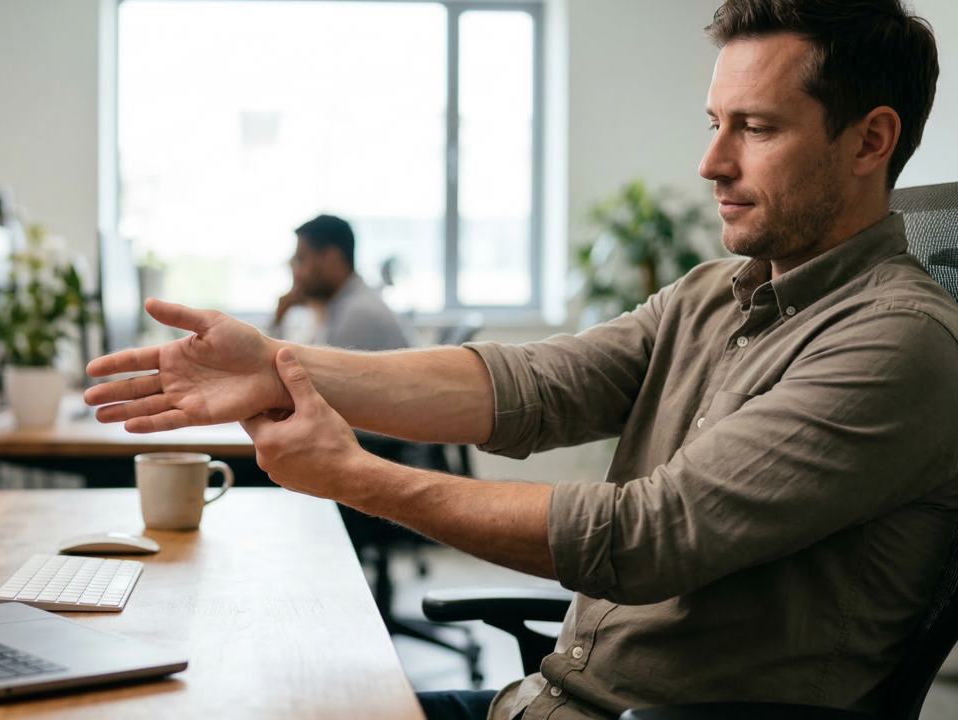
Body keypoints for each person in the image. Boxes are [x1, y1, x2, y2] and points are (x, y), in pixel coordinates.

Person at [83, 1, 958, 718]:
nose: (710, 162)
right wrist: (279, 364)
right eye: (714, 123)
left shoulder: (900, 343)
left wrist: (356, 477)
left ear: (870, 141)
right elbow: (533, 388)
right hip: (543, 702)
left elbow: (645, 536)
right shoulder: (711, 294)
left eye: (755, 128)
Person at [271, 214, 411, 352]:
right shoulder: (342, 306)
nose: (296, 274)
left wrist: (278, 321)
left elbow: (303, 371)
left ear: (331, 259)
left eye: (301, 261)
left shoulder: (357, 315)